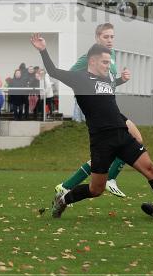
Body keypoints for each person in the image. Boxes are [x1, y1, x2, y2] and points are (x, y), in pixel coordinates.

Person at [31, 34, 153, 218]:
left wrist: (125, 120)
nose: (109, 66)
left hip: (122, 135)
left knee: (150, 169)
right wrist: (43, 49)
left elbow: (109, 106)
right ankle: (64, 199)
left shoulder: (107, 80)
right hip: (101, 141)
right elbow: (53, 72)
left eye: (109, 63)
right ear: (92, 61)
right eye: (105, 63)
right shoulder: (79, 79)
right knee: (96, 189)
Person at [55, 22, 133, 199]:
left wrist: (121, 80)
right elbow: (73, 77)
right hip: (99, 111)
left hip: (110, 109)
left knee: (106, 155)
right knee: (132, 139)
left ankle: (66, 186)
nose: (110, 40)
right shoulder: (87, 58)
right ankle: (110, 179)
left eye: (112, 36)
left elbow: (107, 84)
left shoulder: (110, 57)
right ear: (97, 38)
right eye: (106, 36)